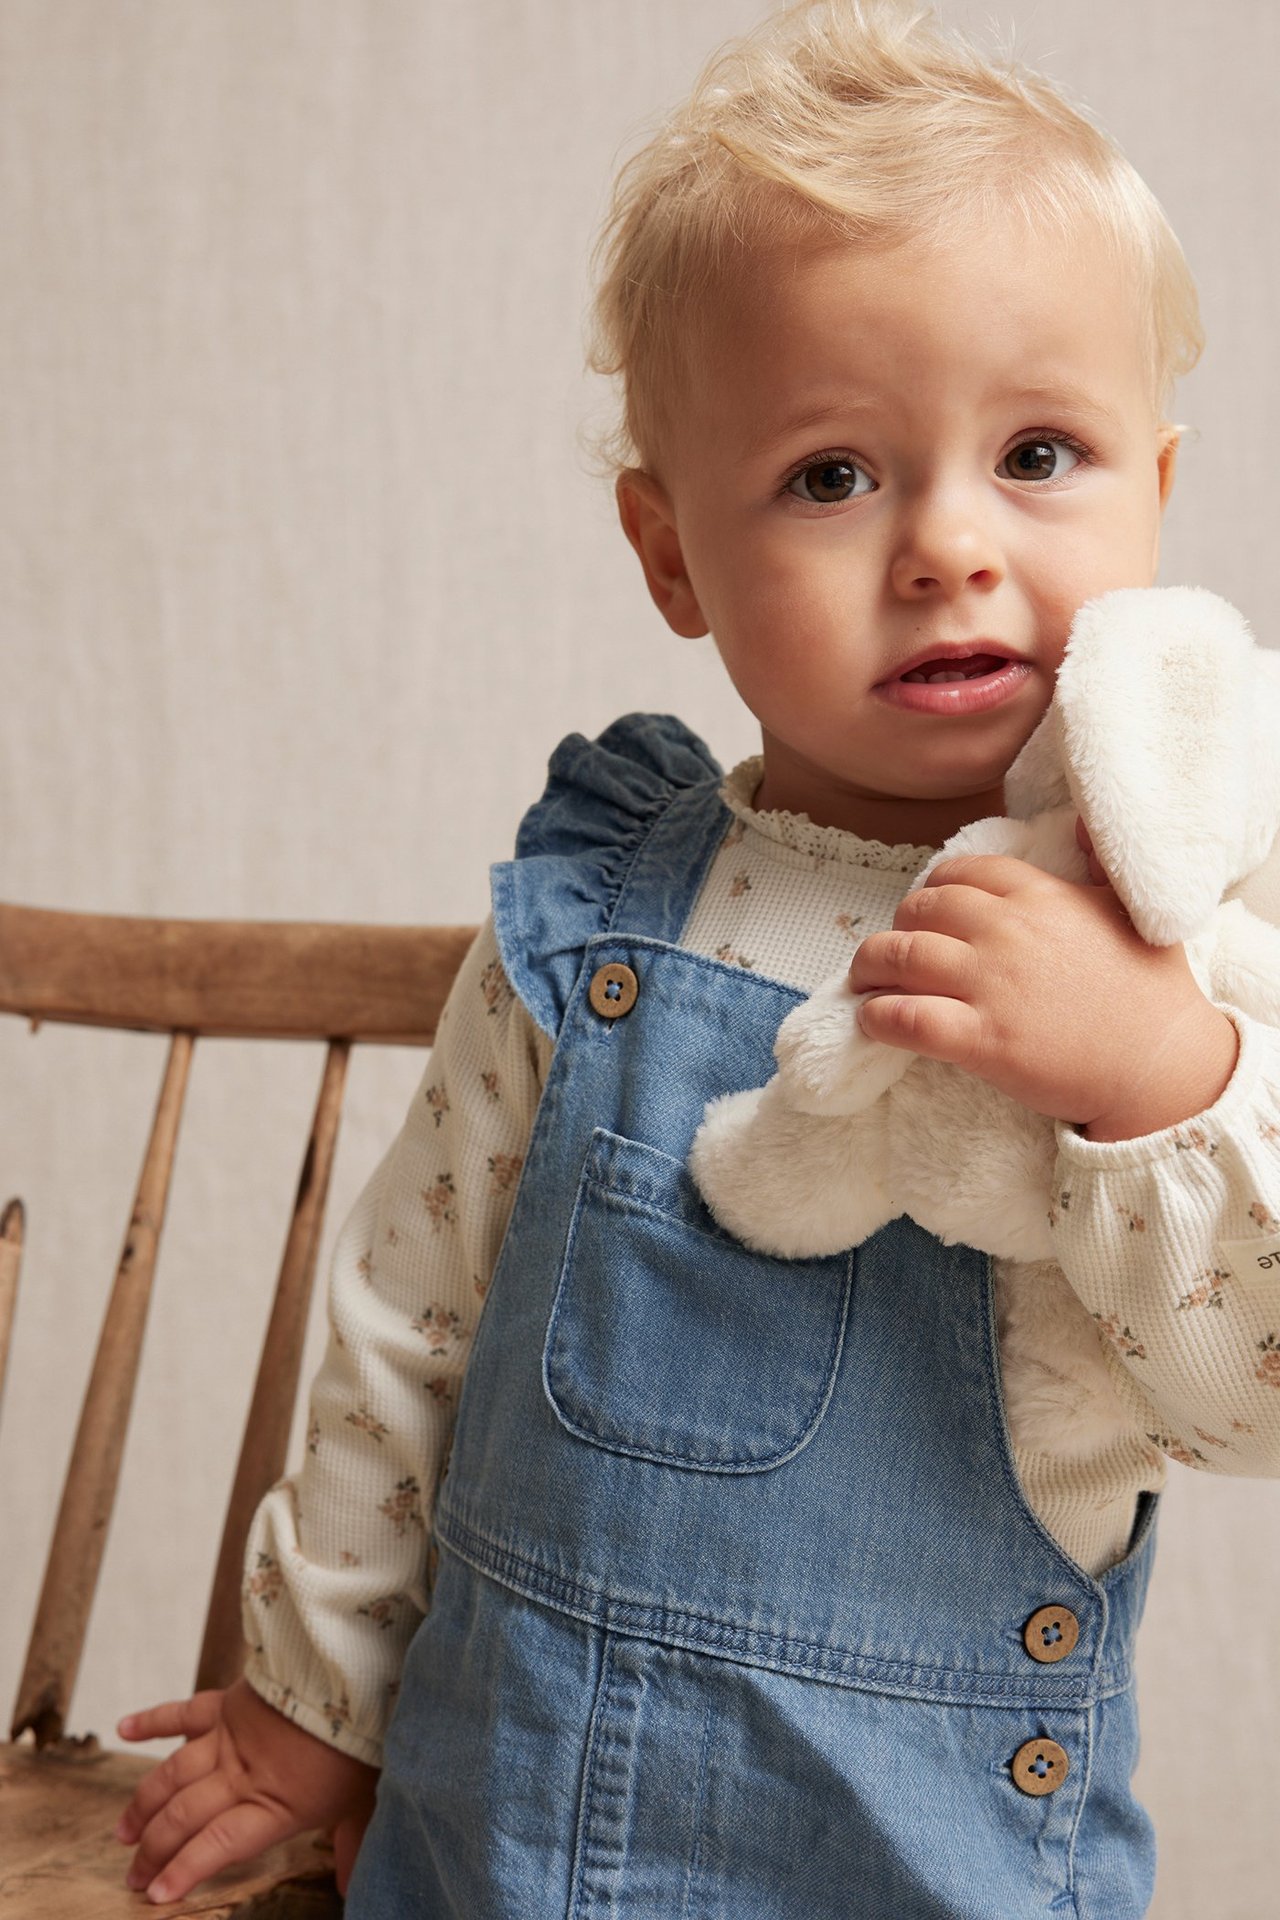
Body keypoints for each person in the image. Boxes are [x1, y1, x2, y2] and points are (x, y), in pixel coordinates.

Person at [114, 2, 1280, 1913]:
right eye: (834, 475)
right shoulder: (599, 921)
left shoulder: (1172, 958)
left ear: (1159, 492)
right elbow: (408, 1333)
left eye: (1042, 451)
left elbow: (1254, 1391)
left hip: (939, 1862)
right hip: (496, 1838)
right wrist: (312, 1706)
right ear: (672, 557)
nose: (947, 544)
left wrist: (1151, 1081)